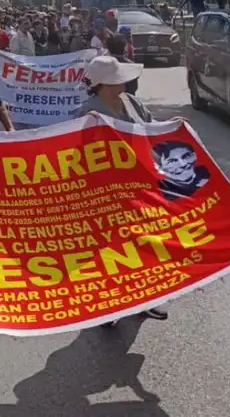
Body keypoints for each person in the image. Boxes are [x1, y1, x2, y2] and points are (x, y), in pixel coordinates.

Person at [77, 55, 172, 322]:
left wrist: (170, 125)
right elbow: (75, 152)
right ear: (104, 84)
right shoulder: (87, 112)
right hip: (106, 190)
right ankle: (111, 304)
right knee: (111, 246)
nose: (122, 83)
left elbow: (150, 127)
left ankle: (146, 298)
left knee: (145, 240)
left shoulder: (131, 102)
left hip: (140, 183)